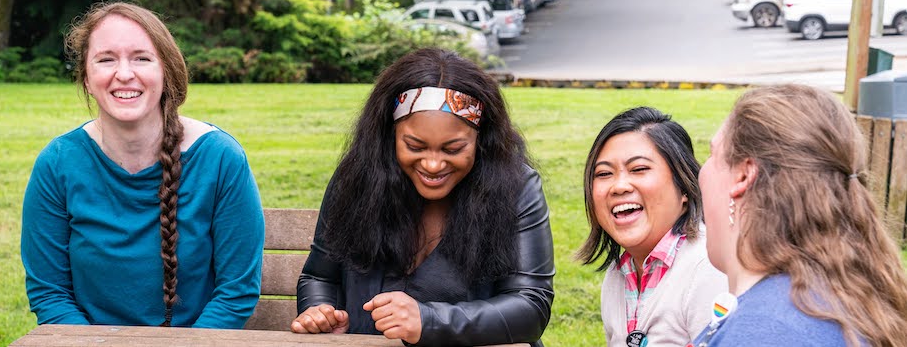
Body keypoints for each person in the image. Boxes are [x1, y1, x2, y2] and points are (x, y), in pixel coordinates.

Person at [21, 2, 264, 328]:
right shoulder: (57, 164)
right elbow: (50, 293)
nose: (124, 74)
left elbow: (236, 291)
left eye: (142, 58)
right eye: (106, 59)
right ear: (86, 78)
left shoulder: (221, 159)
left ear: (167, 72)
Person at [291, 48, 554, 346]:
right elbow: (321, 277)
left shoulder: (517, 187)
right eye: (415, 146)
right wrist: (320, 311)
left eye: (453, 149)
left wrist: (429, 320)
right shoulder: (356, 178)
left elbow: (530, 305)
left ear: (481, 141)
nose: (432, 164)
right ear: (389, 136)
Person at [694, 84, 907, 346]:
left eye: (713, 155)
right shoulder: (839, 299)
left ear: (744, 175)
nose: (701, 172)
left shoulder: (768, 331)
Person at [577, 107, 727, 347]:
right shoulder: (618, 275)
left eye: (639, 169)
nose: (619, 186)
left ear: (684, 186)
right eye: (604, 173)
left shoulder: (709, 269)